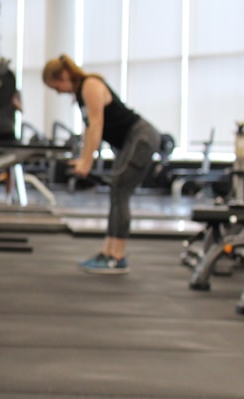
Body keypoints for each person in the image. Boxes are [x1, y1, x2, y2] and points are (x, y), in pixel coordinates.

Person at [42, 54, 161, 274]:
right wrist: (83, 158)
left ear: (65, 75)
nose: (58, 91)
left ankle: (117, 256)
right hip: (129, 141)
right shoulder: (81, 94)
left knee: (120, 190)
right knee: (117, 191)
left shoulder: (91, 85)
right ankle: (108, 252)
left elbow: (97, 125)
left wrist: (87, 162)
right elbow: (89, 130)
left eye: (56, 85)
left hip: (141, 138)